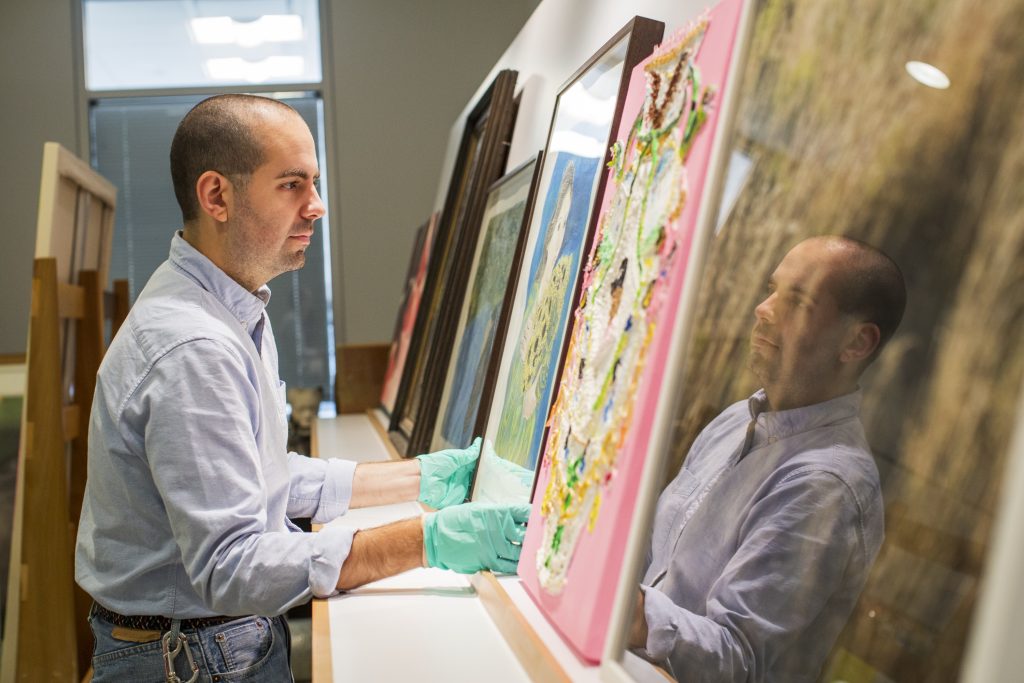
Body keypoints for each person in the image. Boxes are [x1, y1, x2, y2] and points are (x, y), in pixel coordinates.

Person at [75, 94, 528, 682]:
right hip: (189, 661)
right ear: (217, 196)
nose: (317, 207)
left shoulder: (226, 308)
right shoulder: (195, 347)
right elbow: (231, 567)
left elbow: (256, 475)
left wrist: (422, 476)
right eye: (292, 185)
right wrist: (427, 540)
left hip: (203, 643)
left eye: (314, 183)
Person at [629, 236, 906, 682]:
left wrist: (633, 612)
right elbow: (651, 560)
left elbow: (739, 661)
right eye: (772, 289)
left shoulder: (828, 484)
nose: (763, 308)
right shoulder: (736, 418)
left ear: (857, 342)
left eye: (796, 300)